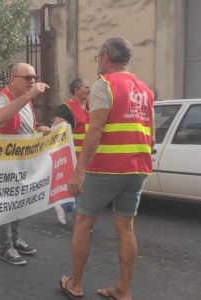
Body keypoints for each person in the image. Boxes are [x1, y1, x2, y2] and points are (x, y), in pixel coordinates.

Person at [61, 37, 155, 300]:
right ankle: (123, 289)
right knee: (126, 228)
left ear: (104, 57)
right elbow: (151, 134)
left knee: (83, 222)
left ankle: (75, 284)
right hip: (138, 167)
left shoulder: (106, 84)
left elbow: (96, 129)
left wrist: (79, 170)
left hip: (107, 168)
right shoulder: (146, 90)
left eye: (97, 59)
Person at [0, 63, 51, 266]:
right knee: (5, 205)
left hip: (20, 163)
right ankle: (5, 248)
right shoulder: (2, 98)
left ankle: (15, 239)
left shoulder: (24, 99)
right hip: (1, 163)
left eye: (34, 77)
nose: (32, 81)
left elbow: (23, 126)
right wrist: (30, 96)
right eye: (28, 77)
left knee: (19, 202)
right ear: (13, 79)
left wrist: (38, 129)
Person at [51, 78, 90, 225]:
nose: (89, 90)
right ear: (76, 91)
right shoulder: (67, 108)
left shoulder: (89, 107)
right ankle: (81, 224)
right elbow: (55, 130)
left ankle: (62, 205)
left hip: (87, 157)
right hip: (74, 157)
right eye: (86, 87)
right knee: (81, 191)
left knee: (80, 192)